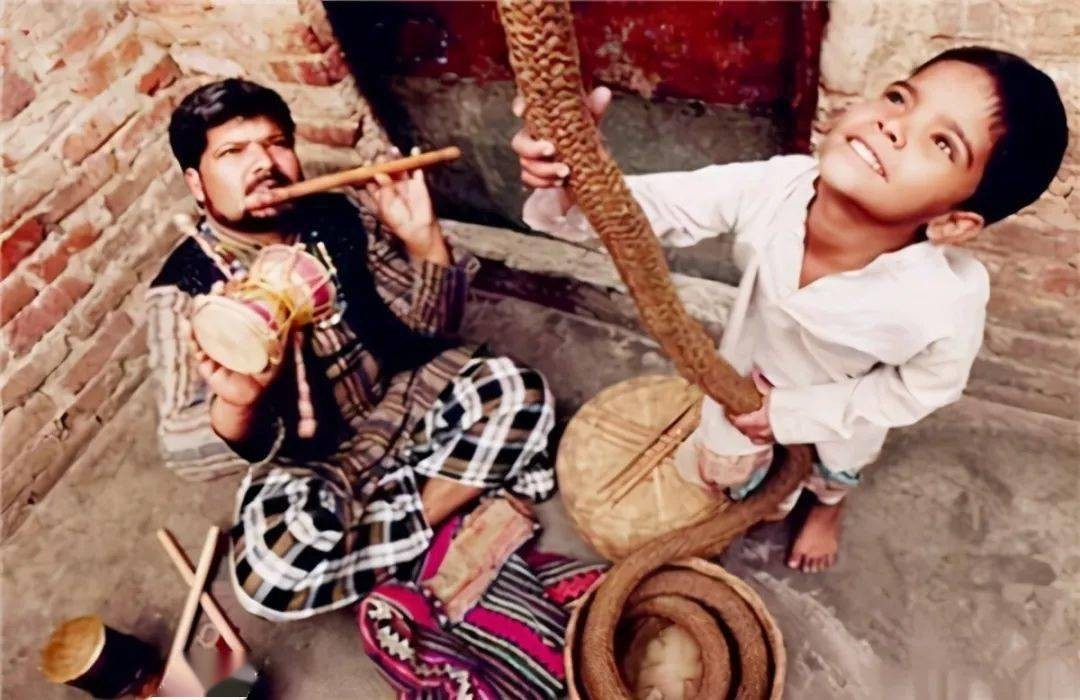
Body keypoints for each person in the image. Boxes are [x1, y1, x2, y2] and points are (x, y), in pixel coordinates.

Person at [511, 47, 1068, 572]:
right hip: (747, 376)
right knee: (729, 469)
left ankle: (826, 508)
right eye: (900, 97)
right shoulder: (775, 187)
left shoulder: (944, 300)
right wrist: (575, 175)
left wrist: (797, 412)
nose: (894, 125)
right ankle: (765, 497)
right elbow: (636, 212)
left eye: (942, 143)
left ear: (953, 221)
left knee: (837, 465)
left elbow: (923, 388)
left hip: (843, 404)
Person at [147, 78, 558, 621]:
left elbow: (427, 329)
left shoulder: (337, 215)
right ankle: (447, 507)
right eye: (233, 152)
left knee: (520, 391)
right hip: (318, 461)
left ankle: (397, 529)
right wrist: (239, 404)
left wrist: (422, 239)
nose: (264, 163)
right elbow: (179, 446)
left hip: (402, 399)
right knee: (269, 576)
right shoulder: (185, 289)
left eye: (276, 143)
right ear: (197, 184)